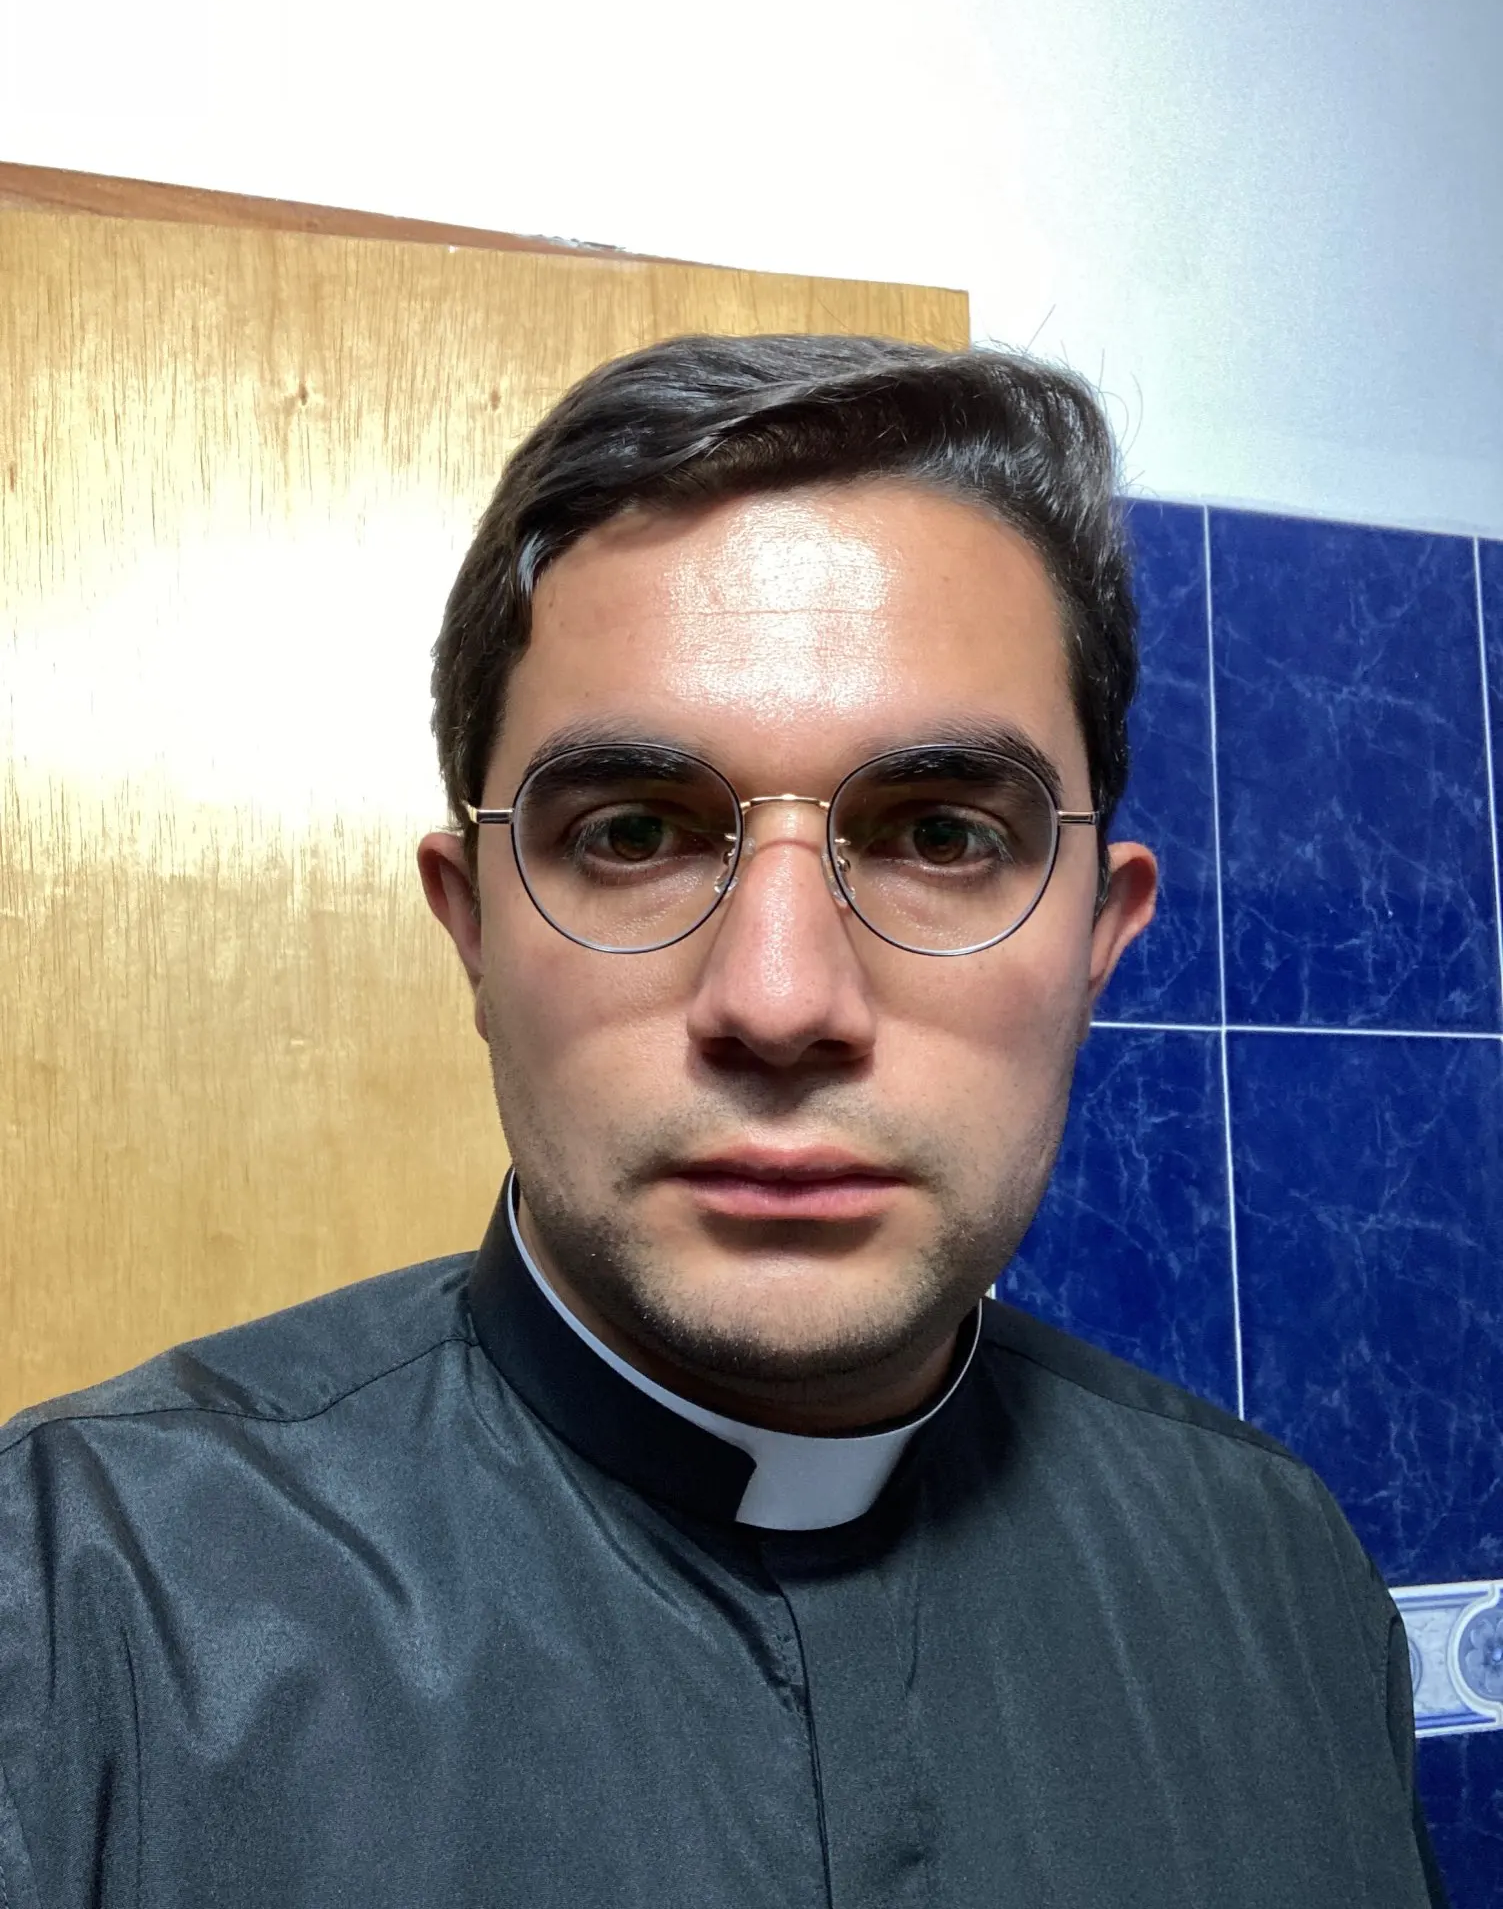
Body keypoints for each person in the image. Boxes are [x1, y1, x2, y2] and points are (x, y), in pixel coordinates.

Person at [0, 336, 1446, 1908]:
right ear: (473, 928)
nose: (777, 1000)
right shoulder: (73, 1606)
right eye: (634, 833)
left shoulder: (1277, 1577)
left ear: (1098, 936)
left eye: (939, 835)